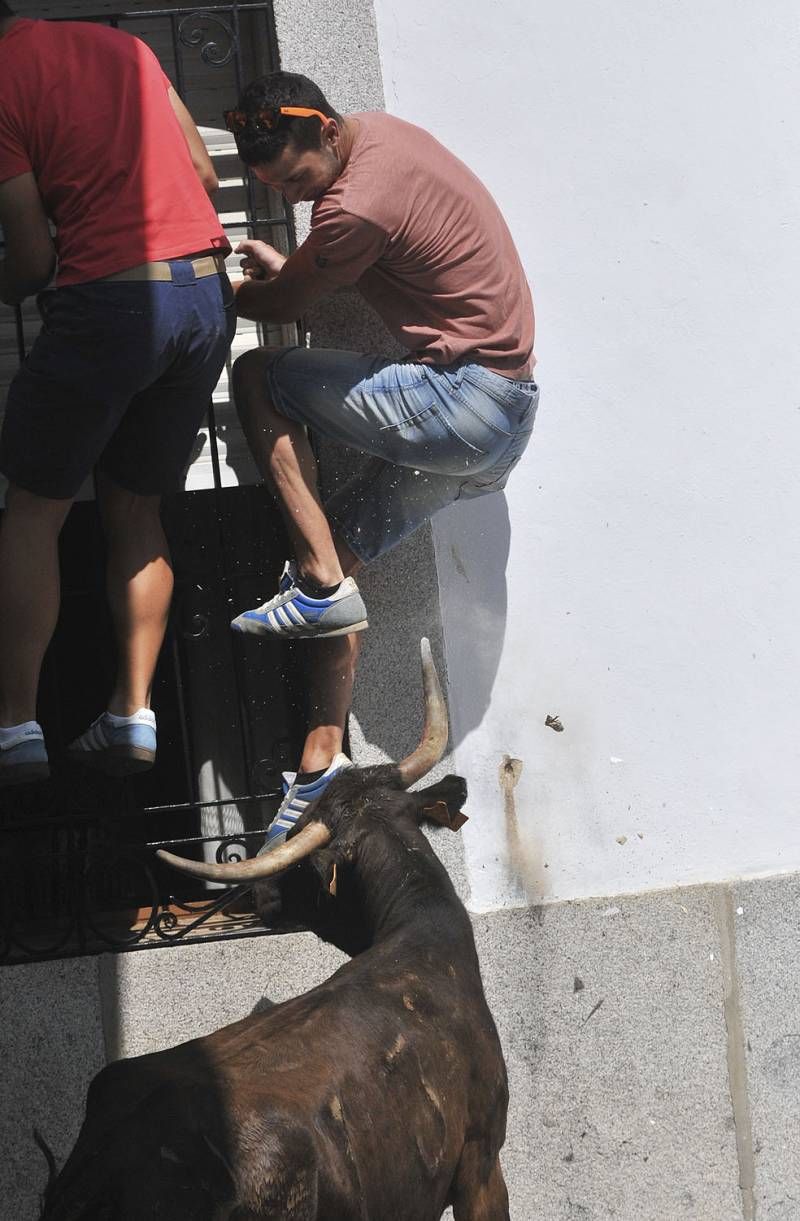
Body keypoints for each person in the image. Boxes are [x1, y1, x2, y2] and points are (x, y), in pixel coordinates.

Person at [225, 71, 538, 850]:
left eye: (296, 179)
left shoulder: (354, 203)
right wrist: (294, 273)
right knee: (337, 554)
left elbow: (283, 306)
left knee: (260, 377)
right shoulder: (383, 139)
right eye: (275, 189)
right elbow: (323, 274)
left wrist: (205, 287)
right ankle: (322, 759)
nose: (295, 200)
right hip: (503, 424)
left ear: (327, 131)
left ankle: (321, 584)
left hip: (464, 400)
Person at [0, 5, 235, 785]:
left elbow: (31, 260)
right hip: (204, 297)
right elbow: (204, 176)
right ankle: (132, 713)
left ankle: (16, 726)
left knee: (36, 511)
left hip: (112, 301)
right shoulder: (127, 47)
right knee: (137, 507)